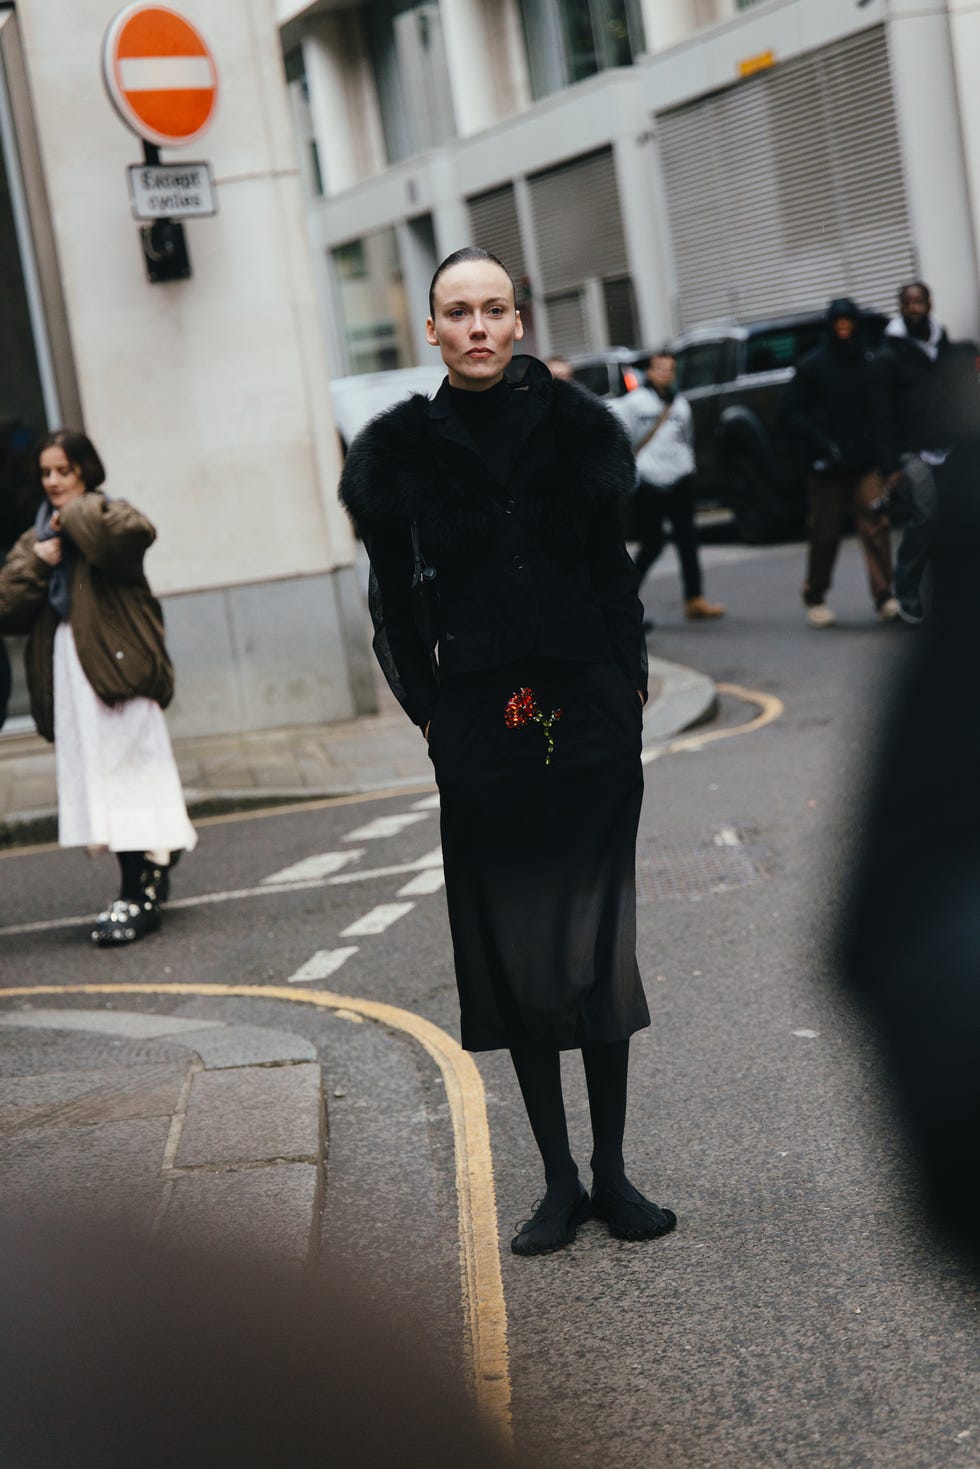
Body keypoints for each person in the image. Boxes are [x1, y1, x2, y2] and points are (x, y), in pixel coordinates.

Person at [339, 247, 676, 1257]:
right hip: (480, 724)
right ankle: (557, 1180)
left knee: (593, 938)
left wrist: (629, 681)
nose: (477, 326)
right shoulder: (397, 454)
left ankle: (612, 1172)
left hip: (588, 714)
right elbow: (393, 603)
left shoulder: (577, 431)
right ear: (431, 331)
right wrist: (428, 711)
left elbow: (614, 574)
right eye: (458, 312)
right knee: (516, 946)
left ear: (518, 322)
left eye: (493, 309)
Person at [0, 429, 195, 944]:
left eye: (63, 470)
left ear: (84, 470)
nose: (54, 481)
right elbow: (7, 605)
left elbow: (133, 536)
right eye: (46, 473)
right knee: (105, 781)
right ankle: (140, 881)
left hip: (116, 673)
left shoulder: (107, 513)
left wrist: (77, 514)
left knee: (131, 777)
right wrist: (41, 562)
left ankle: (140, 891)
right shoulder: (37, 538)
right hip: (70, 674)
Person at [783, 298, 899, 628]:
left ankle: (884, 596)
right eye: (839, 321)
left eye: (849, 321)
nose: (845, 327)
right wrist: (821, 444)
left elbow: (881, 414)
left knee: (876, 525)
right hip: (826, 467)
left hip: (865, 463)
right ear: (831, 325)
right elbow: (791, 414)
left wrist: (886, 459)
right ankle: (815, 595)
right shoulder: (813, 366)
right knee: (825, 533)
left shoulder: (868, 360)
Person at [610, 350, 725, 629]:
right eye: (660, 368)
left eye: (670, 369)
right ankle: (623, 601)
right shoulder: (633, 404)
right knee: (652, 544)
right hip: (648, 483)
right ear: (649, 372)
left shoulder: (680, 404)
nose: (666, 374)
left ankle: (694, 598)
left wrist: (688, 466)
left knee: (688, 540)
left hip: (680, 480)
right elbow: (621, 440)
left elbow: (687, 439)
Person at [871, 281, 952, 625]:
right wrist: (889, 465)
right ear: (901, 308)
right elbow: (881, 414)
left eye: (921, 302)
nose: (916, 308)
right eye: (909, 303)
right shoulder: (889, 355)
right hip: (911, 449)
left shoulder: (943, 344)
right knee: (927, 515)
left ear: (930, 304)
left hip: (950, 445)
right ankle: (905, 589)